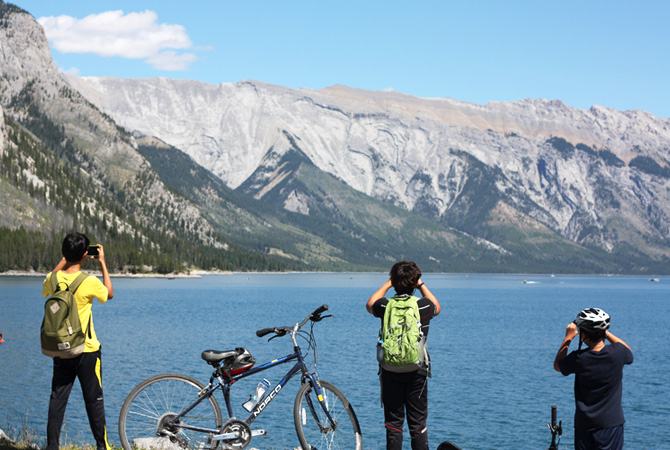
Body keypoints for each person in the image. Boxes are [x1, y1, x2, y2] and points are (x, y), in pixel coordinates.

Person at [42, 232, 114, 450]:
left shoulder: (52, 279)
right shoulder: (89, 282)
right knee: (94, 400)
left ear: (64, 253)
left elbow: (50, 281)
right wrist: (102, 263)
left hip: (60, 349)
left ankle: (52, 446)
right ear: (85, 255)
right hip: (87, 350)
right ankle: (102, 447)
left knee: (58, 399)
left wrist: (65, 258)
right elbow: (109, 294)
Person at [366, 261, 441, 450]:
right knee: (417, 426)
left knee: (393, 424)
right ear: (415, 281)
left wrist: (389, 283)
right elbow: (437, 307)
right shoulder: (423, 306)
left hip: (389, 369)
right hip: (417, 370)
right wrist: (421, 284)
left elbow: (369, 304)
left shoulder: (385, 305)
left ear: (394, 280)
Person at [553, 308, 633, 450]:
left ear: (583, 334)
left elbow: (557, 365)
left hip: (585, 424)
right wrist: (605, 333)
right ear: (602, 332)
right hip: (611, 423)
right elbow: (628, 352)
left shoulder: (579, 358)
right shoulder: (618, 353)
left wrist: (568, 338)